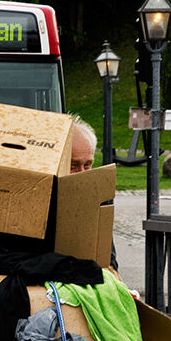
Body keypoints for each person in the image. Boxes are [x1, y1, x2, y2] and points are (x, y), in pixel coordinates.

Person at [69, 115, 118, 270]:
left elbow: (109, 261)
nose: (82, 173)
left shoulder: (98, 202)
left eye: (87, 165)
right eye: (73, 166)